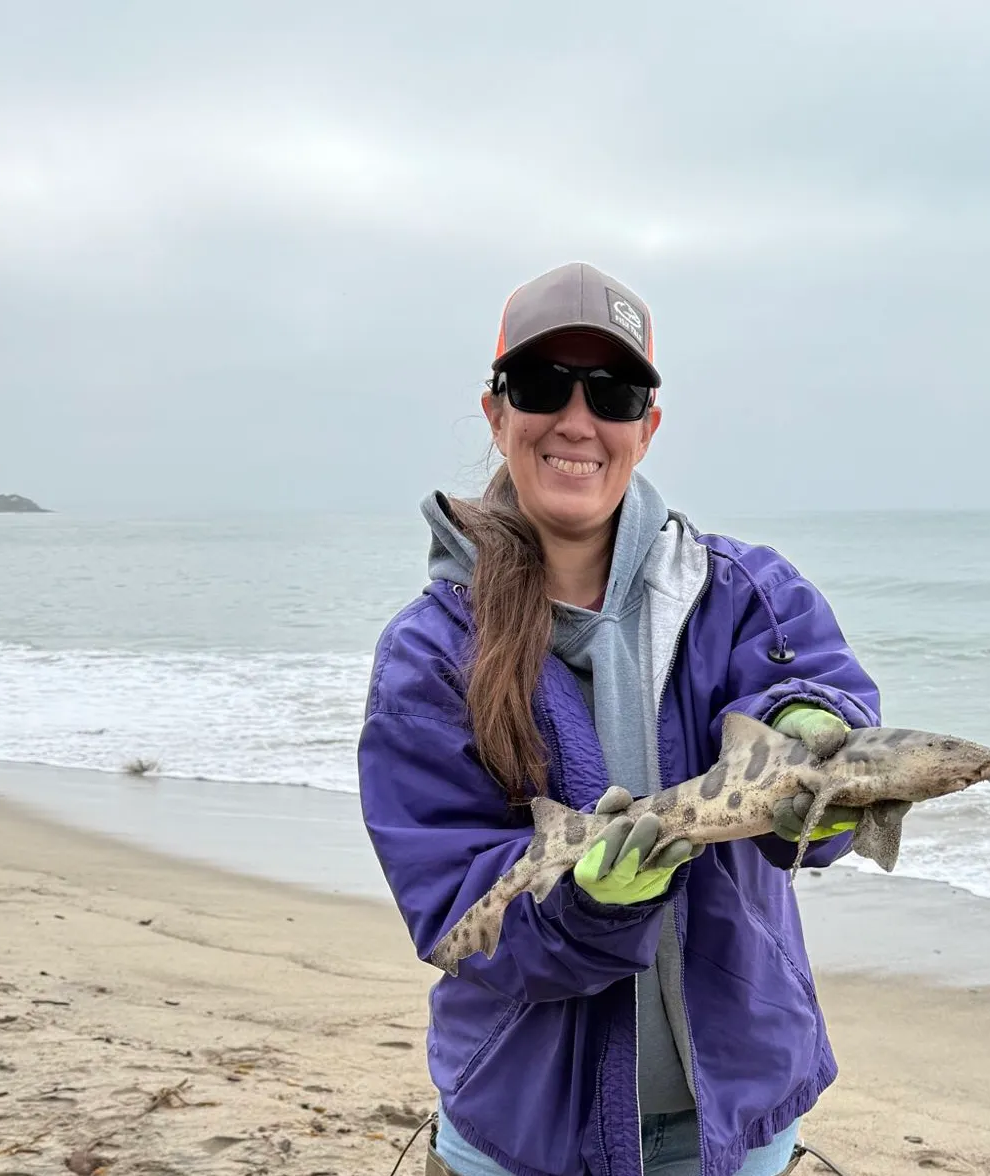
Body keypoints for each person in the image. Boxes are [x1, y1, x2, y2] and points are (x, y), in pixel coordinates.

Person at [358, 261, 885, 1176]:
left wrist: (812, 735)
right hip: (520, 1132)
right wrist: (585, 906)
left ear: (648, 426)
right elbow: (451, 910)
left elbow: (821, 698)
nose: (576, 418)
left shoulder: (749, 593)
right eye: (540, 385)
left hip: (737, 1120)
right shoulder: (430, 653)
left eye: (612, 390)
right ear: (496, 414)